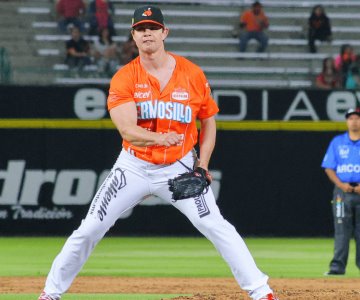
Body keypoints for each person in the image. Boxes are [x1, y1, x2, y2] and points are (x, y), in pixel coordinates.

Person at [38, 5, 279, 300]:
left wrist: (202, 165)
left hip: (179, 167)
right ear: (133, 36)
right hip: (133, 167)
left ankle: (261, 292)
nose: (147, 33)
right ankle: (50, 293)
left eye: (152, 27)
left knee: (214, 224)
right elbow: (127, 130)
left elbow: (209, 122)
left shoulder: (191, 73)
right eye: (140, 29)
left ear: (165, 32)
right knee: (90, 228)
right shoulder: (125, 78)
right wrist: (158, 138)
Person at [321, 108, 360, 276]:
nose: (354, 121)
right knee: (341, 230)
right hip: (341, 192)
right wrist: (342, 185)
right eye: (350, 118)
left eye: (357, 118)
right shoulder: (337, 142)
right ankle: (337, 267)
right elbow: (329, 168)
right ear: (346, 121)